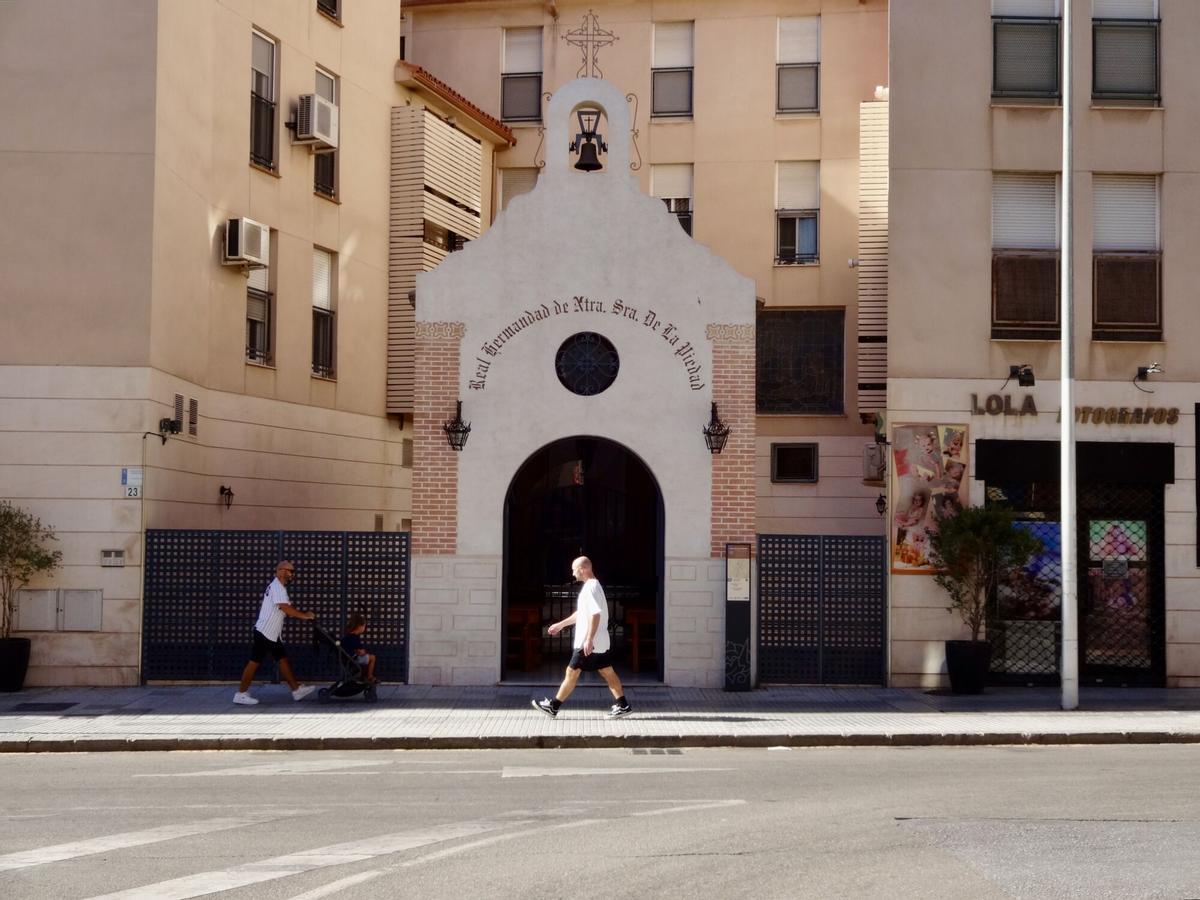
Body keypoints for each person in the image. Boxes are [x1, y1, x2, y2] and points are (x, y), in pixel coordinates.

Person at [532, 556, 632, 719]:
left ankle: (553, 706)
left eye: (574, 569)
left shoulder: (590, 588)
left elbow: (595, 614)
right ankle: (623, 705)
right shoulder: (593, 586)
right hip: (598, 641)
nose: (572, 573)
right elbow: (582, 613)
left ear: (583, 569)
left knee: (571, 672)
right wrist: (561, 624)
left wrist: (589, 639)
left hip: (588, 643)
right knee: (607, 671)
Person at [232, 560, 318, 705]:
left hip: (271, 634)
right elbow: (285, 607)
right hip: (265, 633)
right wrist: (305, 616)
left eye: (293, 571)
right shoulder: (277, 587)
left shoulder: (277, 587)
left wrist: (303, 613)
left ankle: (296, 690)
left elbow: (286, 608)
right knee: (254, 662)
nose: (292, 574)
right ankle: (241, 694)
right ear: (281, 571)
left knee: (282, 659)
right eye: (290, 571)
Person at [341, 612, 377, 683]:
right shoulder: (355, 638)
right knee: (372, 657)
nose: (364, 628)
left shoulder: (347, 636)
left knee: (367, 658)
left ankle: (364, 676)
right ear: (359, 626)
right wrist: (364, 652)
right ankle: (369, 676)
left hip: (348, 658)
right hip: (354, 659)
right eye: (364, 626)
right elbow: (360, 652)